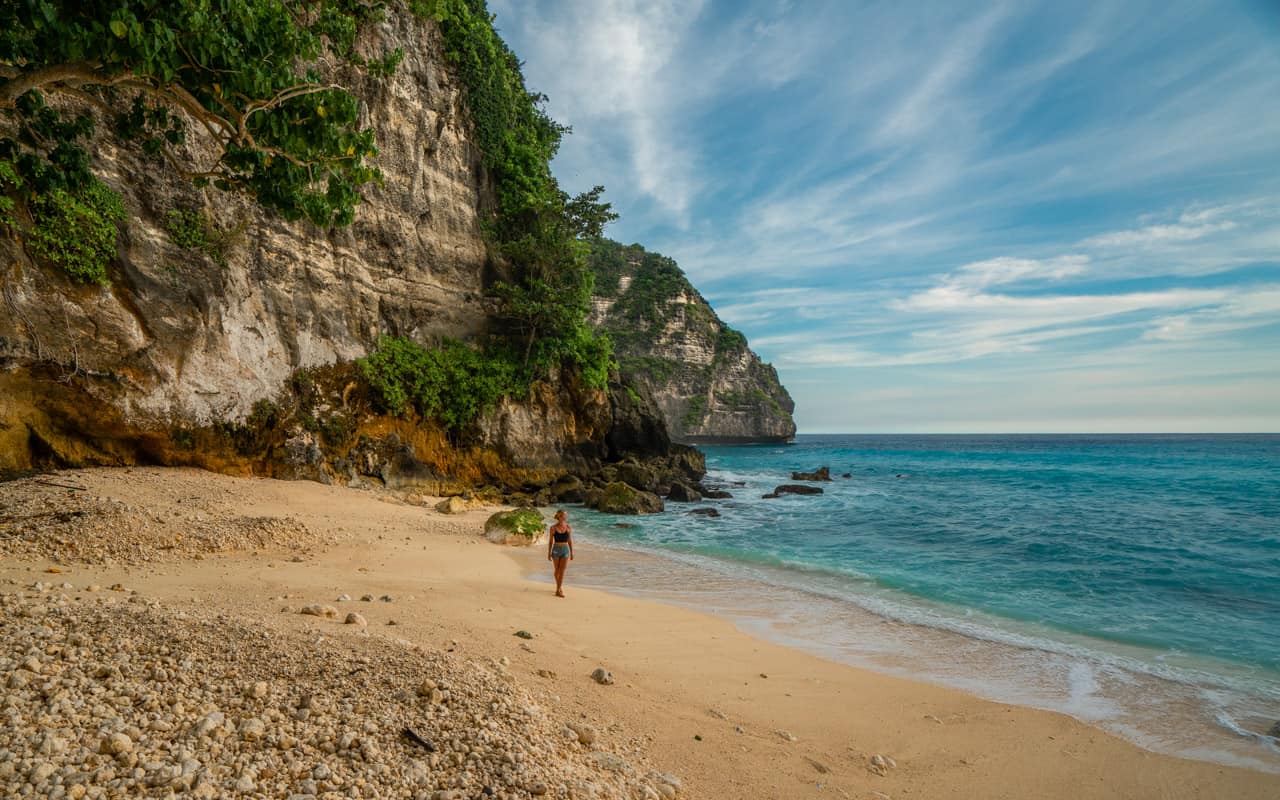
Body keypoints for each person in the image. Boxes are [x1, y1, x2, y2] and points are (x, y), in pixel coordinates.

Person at [546, 509, 573, 597]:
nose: (566, 517)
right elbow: (550, 542)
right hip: (556, 549)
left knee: (562, 571)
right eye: (564, 515)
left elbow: (569, 540)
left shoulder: (568, 527)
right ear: (559, 517)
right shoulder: (553, 528)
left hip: (565, 549)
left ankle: (558, 590)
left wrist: (572, 552)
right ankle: (559, 588)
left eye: (566, 515)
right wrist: (549, 553)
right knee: (557, 571)